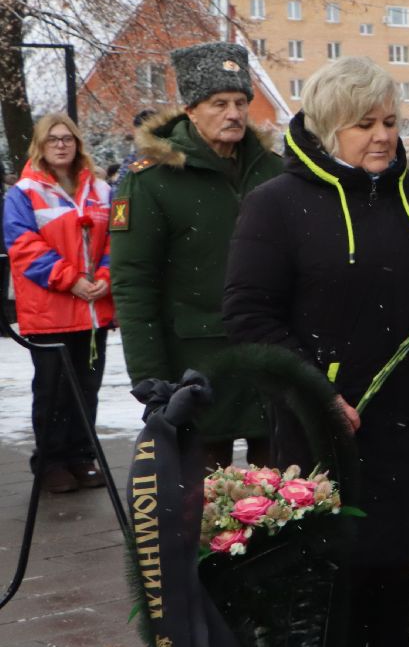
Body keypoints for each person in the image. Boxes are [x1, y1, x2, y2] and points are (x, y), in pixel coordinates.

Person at [223, 57, 409, 647]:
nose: (383, 136)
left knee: (397, 565)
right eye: (365, 124)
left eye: (390, 122)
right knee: (339, 572)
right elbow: (249, 316)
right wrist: (316, 391)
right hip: (329, 424)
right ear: (329, 127)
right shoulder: (277, 204)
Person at [110, 42, 281, 394]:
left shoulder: (274, 171)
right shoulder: (153, 180)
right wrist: (150, 378)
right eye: (219, 104)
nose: (233, 114)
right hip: (196, 364)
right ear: (191, 110)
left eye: (241, 103)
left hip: (271, 356)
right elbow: (134, 283)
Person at [3, 113, 114, 495]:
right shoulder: (24, 192)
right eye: (53, 139)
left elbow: (117, 239)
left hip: (92, 311)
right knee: (53, 392)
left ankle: (82, 457)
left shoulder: (102, 190)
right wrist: (72, 280)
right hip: (51, 312)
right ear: (40, 145)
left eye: (68, 138)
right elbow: (23, 247)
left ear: (77, 143)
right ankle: (50, 462)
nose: (61, 145)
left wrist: (106, 276)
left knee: (86, 389)